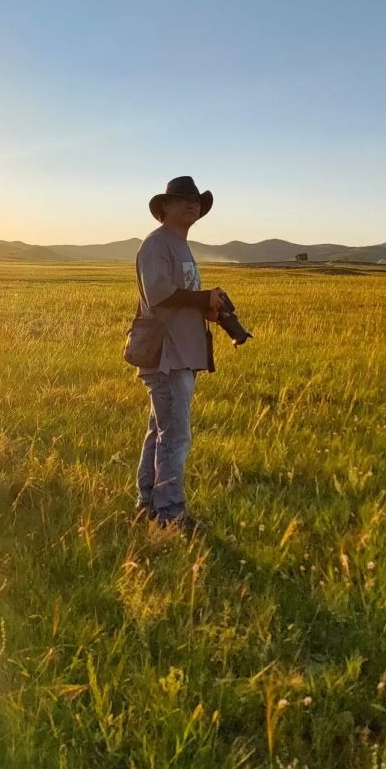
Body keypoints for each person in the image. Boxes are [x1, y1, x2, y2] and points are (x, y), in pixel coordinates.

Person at [133, 176, 226, 537]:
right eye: (183, 199)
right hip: (166, 356)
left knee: (160, 432)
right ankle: (169, 516)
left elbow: (179, 298)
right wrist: (203, 299)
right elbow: (158, 294)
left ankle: (147, 505)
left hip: (183, 353)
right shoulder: (157, 245)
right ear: (164, 208)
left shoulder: (180, 245)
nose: (193, 204)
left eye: (197, 201)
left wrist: (208, 308)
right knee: (175, 437)